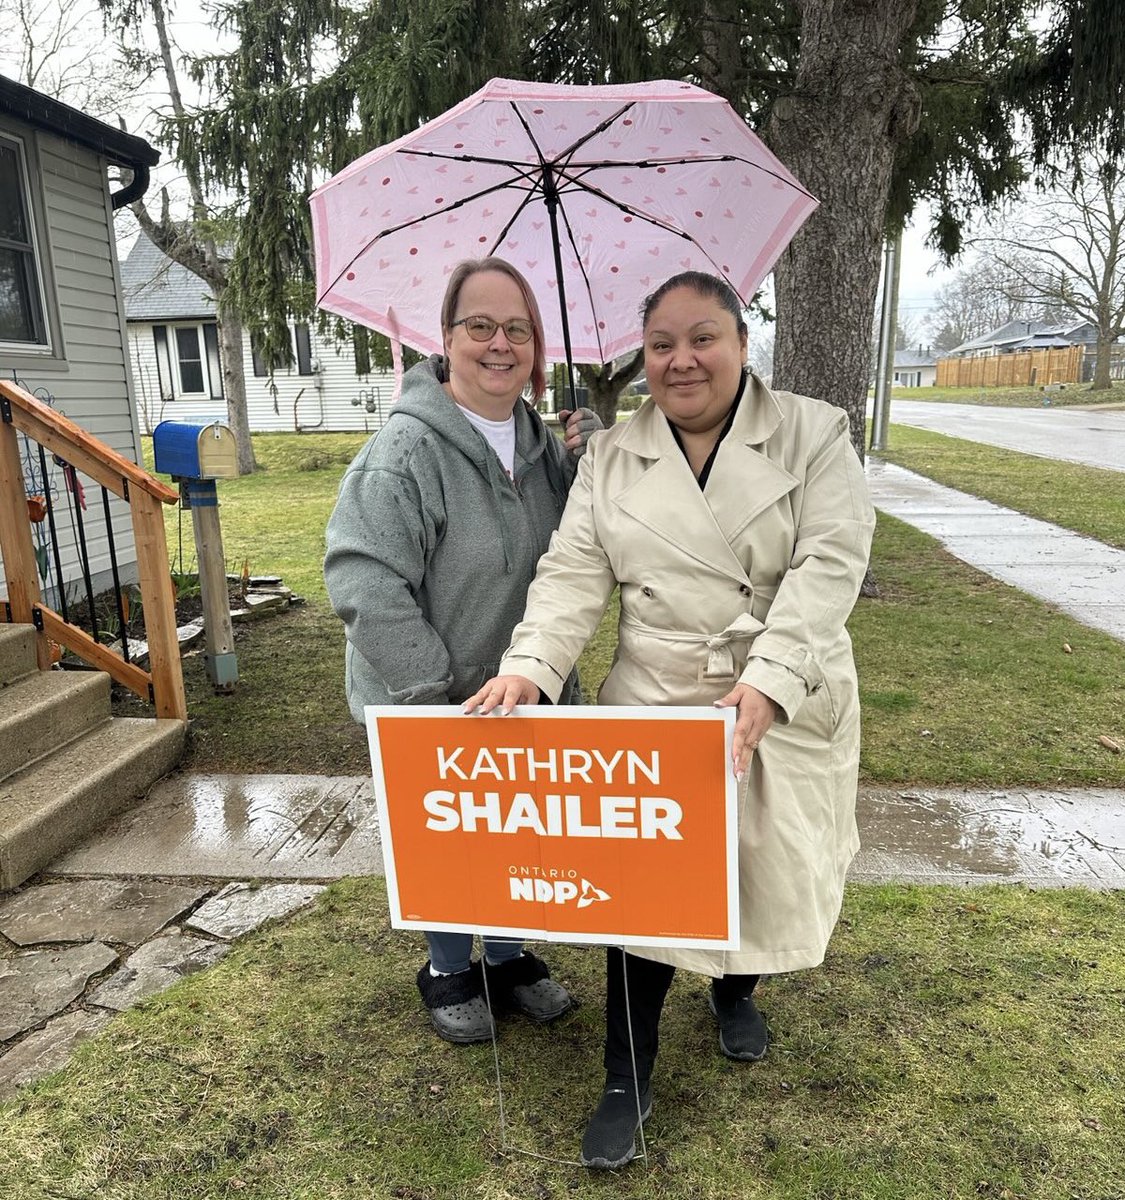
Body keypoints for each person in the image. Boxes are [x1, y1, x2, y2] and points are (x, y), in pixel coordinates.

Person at [465, 271, 876, 1168]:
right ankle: (625, 1073)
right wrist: (529, 670)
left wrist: (769, 680)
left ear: (739, 342)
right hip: (655, 697)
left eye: (702, 338)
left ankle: (736, 990)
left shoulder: (814, 431)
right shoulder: (610, 458)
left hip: (782, 684)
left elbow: (829, 566)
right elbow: (572, 574)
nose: (680, 360)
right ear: (640, 356)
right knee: (644, 899)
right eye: (660, 345)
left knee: (761, 868)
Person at [324, 257, 600, 1045]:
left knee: (519, 829)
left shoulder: (542, 445)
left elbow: (581, 555)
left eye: (517, 328)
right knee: (448, 836)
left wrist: (592, 467)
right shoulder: (406, 450)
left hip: (522, 689)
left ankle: (508, 957)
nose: (499, 343)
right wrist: (433, 701)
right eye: (479, 325)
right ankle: (448, 965)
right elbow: (363, 579)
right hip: (431, 695)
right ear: (446, 339)